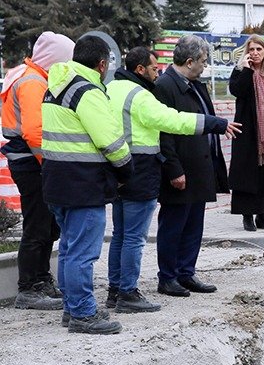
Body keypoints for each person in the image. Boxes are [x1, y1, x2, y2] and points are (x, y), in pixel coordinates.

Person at [107, 47, 238, 312]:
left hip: (121, 169)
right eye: (153, 68)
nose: (157, 73)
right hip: (140, 171)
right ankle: (128, 292)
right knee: (134, 237)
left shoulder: (111, 89)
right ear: (140, 69)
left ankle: (117, 290)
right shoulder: (142, 94)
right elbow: (171, 121)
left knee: (122, 235)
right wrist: (215, 124)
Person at [41, 35, 132, 334]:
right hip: (83, 183)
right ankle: (82, 313)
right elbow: (110, 141)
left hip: (57, 180)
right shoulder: (87, 91)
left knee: (69, 248)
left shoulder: (56, 86)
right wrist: (126, 169)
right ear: (102, 64)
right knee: (82, 253)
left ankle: (72, 308)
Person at [0, 31, 75, 311]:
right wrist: (52, 164)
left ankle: (41, 280)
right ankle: (29, 287)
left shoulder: (32, 77)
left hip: (29, 161)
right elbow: (34, 132)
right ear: (55, 60)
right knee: (38, 225)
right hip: (32, 163)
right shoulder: (33, 82)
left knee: (46, 224)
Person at [154, 35, 228, 297]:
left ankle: (186, 272)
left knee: (194, 225)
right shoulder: (165, 86)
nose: (205, 66)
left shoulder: (195, 85)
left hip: (200, 166)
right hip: (181, 169)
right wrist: (173, 169)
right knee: (173, 226)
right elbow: (163, 133)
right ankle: (168, 277)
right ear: (189, 61)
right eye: (203, 61)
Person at [228, 35, 264, 232]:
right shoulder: (240, 71)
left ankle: (262, 215)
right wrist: (245, 70)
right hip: (247, 133)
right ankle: (247, 216)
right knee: (247, 174)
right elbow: (237, 91)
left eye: (259, 49)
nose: (255, 53)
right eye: (251, 49)